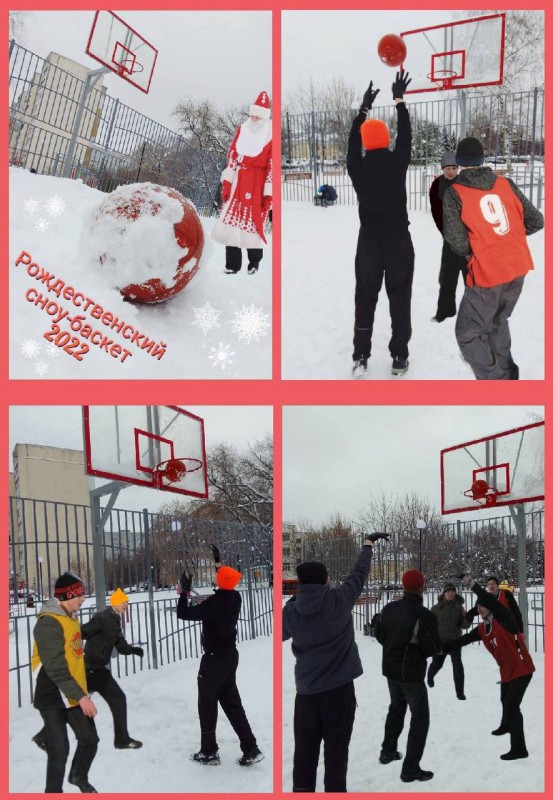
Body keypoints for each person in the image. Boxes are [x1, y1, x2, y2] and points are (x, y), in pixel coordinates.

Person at [283, 533, 389, 792]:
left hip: (306, 695)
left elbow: (282, 634)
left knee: (304, 755)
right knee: (336, 753)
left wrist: (296, 603)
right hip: (339, 693)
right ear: (323, 581)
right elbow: (359, 573)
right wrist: (367, 546)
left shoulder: (291, 611)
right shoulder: (339, 600)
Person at [442, 136, 544, 380]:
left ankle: (495, 382)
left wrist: (482, 246)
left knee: (468, 333)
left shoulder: (455, 192)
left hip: (487, 272)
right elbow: (536, 220)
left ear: (459, 161)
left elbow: (456, 240)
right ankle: (507, 373)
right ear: (481, 159)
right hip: (517, 265)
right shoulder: (505, 183)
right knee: (499, 321)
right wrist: (507, 238)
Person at [347, 70, 414, 378]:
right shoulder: (397, 161)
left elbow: (351, 144)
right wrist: (399, 101)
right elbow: (406, 136)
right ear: (386, 140)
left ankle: (361, 355)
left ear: (365, 142)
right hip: (399, 241)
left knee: (366, 296)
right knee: (399, 297)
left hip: (369, 243)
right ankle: (399, 356)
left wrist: (363, 110)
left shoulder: (358, 167)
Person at [176, 545, 263, 767]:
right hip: (229, 658)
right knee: (233, 704)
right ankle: (251, 748)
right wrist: (218, 561)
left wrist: (184, 592)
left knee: (206, 704)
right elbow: (224, 579)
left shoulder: (214, 604)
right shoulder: (234, 598)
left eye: (216, 575)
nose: (214, 577)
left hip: (213, 661)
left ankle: (209, 751)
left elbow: (183, 613)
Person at [33, 587, 144, 754]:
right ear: (114, 602)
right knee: (117, 698)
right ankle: (121, 739)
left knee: (77, 705)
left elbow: (120, 645)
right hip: (91, 669)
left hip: (97, 669)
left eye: (127, 602)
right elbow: (81, 632)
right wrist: (66, 644)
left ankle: (43, 734)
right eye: (123, 602)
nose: (125, 605)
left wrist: (133, 650)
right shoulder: (102, 618)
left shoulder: (114, 621)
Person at [444, 577, 535, 760]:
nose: (479, 609)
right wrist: (436, 648)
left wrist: (471, 584)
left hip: (522, 669)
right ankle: (506, 725)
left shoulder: (504, 619)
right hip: (507, 671)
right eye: (477, 607)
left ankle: (519, 749)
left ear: (491, 607)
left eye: (482, 606)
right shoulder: (481, 629)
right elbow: (461, 641)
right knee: (504, 699)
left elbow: (489, 598)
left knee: (512, 706)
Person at [31, 572, 99, 793]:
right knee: (59, 750)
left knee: (89, 739)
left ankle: (78, 776)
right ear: (66, 596)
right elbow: (56, 667)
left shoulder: (69, 614)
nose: (83, 599)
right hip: (52, 692)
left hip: (72, 690)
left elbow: (73, 644)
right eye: (79, 595)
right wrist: (81, 696)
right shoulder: (48, 623)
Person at [375, 569, 441, 783]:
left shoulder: (389, 609)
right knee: (420, 718)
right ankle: (410, 768)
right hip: (411, 675)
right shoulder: (423, 615)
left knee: (396, 708)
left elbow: (380, 635)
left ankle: (388, 751)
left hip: (391, 671)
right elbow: (432, 648)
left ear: (403, 586)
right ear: (422, 587)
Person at [211, 91, 272, 274]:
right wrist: (228, 181)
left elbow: (272, 165)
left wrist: (268, 194)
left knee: (254, 222)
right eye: (251, 114)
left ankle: (254, 262)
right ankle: (232, 265)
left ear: (264, 116)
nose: (253, 118)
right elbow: (233, 155)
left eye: (257, 115)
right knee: (232, 223)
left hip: (257, 182)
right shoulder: (242, 129)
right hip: (239, 179)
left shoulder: (270, 135)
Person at [429, 152, 468, 322]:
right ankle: (445, 311)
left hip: (467, 238)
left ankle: (473, 315)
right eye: (447, 168)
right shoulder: (437, 184)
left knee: (471, 277)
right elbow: (436, 210)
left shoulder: (464, 183)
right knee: (447, 277)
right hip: (449, 238)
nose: (451, 172)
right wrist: (446, 232)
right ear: (442, 169)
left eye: (453, 168)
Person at [426, 581, 471, 699]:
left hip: (455, 642)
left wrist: (467, 618)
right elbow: (430, 626)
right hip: (440, 643)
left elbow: (464, 625)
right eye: (449, 592)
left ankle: (460, 693)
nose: (451, 594)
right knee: (437, 664)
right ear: (444, 593)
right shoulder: (436, 608)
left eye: (453, 592)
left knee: (458, 667)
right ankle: (430, 676)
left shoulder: (459, 608)